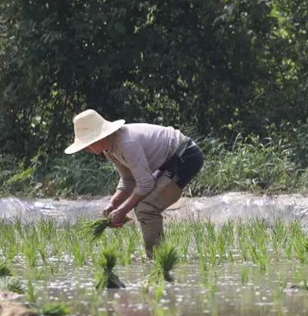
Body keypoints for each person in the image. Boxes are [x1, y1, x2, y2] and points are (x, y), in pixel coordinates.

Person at [64, 109, 204, 258]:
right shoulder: (109, 149)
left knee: (146, 208)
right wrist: (113, 204)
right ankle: (158, 258)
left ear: (98, 138)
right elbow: (128, 180)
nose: (86, 149)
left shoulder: (127, 143)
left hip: (185, 156)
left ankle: (158, 260)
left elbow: (145, 184)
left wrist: (121, 211)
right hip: (167, 162)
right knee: (142, 206)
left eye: (87, 144)